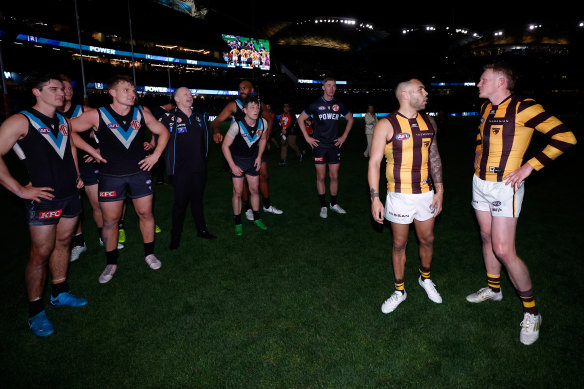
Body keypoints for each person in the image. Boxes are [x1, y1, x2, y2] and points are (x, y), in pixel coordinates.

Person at [466, 63, 577, 345]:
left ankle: (532, 312)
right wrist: (479, 149)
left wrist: (530, 166)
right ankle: (494, 288)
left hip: (506, 186)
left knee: (504, 249)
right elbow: (482, 135)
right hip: (480, 183)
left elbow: (566, 137)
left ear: (501, 81)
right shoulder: (486, 109)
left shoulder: (523, 106)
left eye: (483, 79)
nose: (478, 83)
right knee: (486, 236)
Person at [0, 73, 88, 337]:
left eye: (61, 89)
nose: (60, 93)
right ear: (36, 92)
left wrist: (77, 175)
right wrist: (18, 189)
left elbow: (70, 147)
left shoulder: (63, 119)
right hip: (44, 199)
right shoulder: (21, 120)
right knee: (40, 254)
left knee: (64, 244)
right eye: (53, 89)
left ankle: (59, 292)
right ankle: (36, 311)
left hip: (70, 194)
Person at [71, 75, 169, 284]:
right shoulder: (98, 115)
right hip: (110, 177)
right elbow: (67, 130)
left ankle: (149, 253)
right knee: (111, 221)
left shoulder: (141, 113)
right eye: (126, 90)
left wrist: (156, 155)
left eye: (133, 90)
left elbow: (163, 131)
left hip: (139, 174)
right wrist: (92, 150)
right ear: (112, 93)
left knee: (146, 213)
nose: (132, 94)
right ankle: (111, 262)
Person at [368, 78, 444, 314]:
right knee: (399, 243)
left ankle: (425, 277)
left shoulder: (429, 122)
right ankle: (400, 290)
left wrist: (440, 189)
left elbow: (434, 157)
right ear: (404, 95)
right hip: (398, 195)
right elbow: (374, 162)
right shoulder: (386, 124)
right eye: (420, 89)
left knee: (427, 239)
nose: (425, 93)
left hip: (425, 194)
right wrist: (374, 197)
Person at [212, 80, 282, 217]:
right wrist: (216, 131)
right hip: (239, 150)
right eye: (240, 88)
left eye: (245, 88)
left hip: (255, 148)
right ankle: (247, 208)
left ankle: (267, 205)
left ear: (251, 90)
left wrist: (265, 138)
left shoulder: (258, 105)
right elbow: (216, 121)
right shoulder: (234, 105)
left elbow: (270, 119)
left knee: (263, 175)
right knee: (242, 178)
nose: (242, 90)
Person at [161, 87, 216, 250]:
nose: (189, 96)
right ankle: (175, 237)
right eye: (185, 94)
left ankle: (202, 230)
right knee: (180, 204)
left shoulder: (200, 117)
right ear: (176, 99)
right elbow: (159, 139)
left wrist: (203, 161)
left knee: (197, 201)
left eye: (190, 94)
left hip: (198, 168)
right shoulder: (169, 118)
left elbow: (206, 142)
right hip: (180, 170)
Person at [297, 76, 354, 218]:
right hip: (319, 145)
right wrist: (307, 137)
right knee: (321, 177)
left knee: (334, 176)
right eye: (328, 85)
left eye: (334, 85)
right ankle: (323, 206)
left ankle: (333, 204)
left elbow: (350, 118)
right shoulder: (315, 104)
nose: (332, 88)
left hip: (334, 145)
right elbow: (300, 119)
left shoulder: (339, 104)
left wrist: (344, 136)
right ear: (323, 87)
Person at [221, 96, 268, 236]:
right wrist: (232, 165)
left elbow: (264, 139)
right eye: (252, 107)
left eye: (257, 107)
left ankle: (256, 217)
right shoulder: (237, 125)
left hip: (252, 160)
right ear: (245, 110)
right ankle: (238, 222)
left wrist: (259, 157)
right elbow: (225, 146)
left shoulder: (263, 123)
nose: (256, 110)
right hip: (238, 161)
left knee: (254, 190)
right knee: (238, 192)